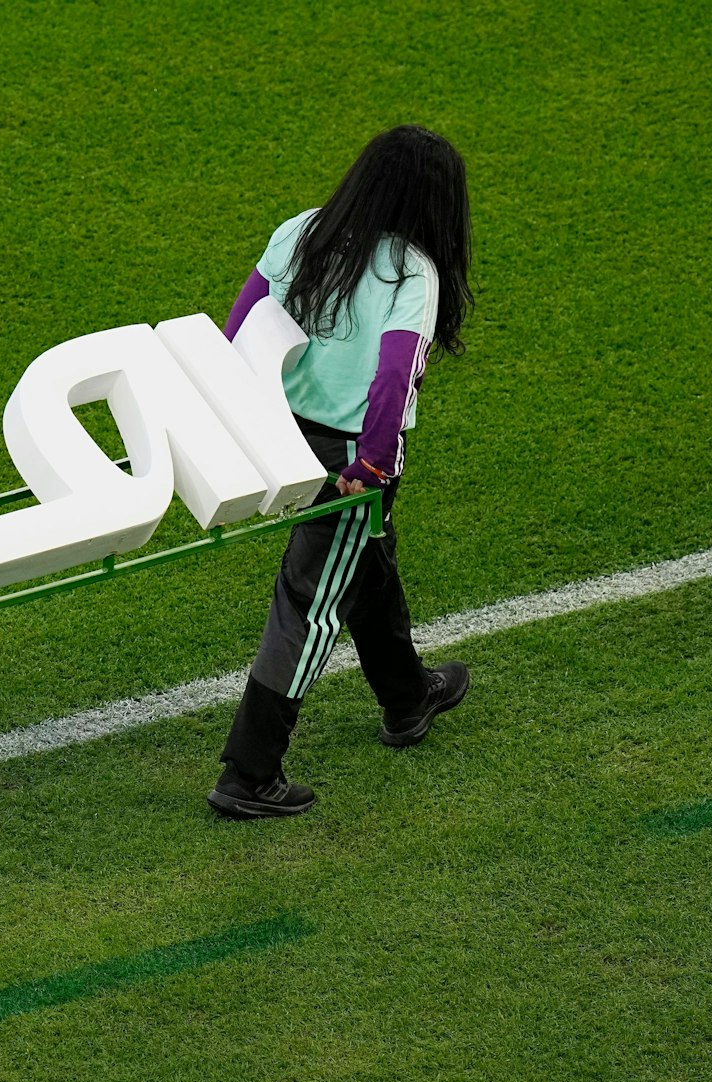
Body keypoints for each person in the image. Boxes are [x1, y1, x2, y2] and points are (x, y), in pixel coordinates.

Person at [208, 125, 475, 820]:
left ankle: (407, 700)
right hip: (352, 456)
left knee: (365, 561)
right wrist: (376, 461)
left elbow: (241, 330)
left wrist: (236, 428)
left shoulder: (302, 230)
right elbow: (394, 374)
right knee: (311, 601)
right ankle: (249, 771)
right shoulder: (413, 270)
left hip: (281, 433)